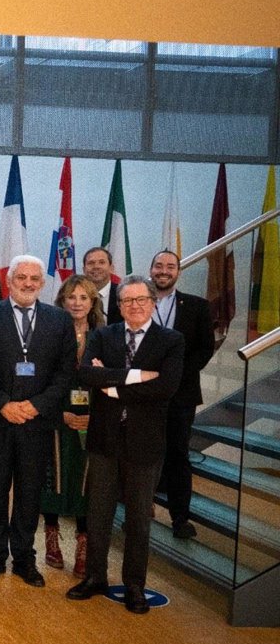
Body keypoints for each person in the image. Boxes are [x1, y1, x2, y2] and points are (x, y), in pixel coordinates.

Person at [68, 275, 184, 614]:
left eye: (141, 299)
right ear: (118, 306)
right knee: (98, 514)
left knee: (137, 520)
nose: (135, 306)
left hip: (145, 443)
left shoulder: (171, 341)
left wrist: (112, 383)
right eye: (127, 300)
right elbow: (87, 374)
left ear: (153, 302)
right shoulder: (103, 335)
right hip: (104, 439)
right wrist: (137, 375)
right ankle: (95, 577)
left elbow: (166, 387)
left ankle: (134, 586)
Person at [0, 255, 75, 586]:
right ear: (9, 280)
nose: (28, 283)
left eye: (34, 278)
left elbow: (65, 373)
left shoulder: (60, 320)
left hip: (37, 423)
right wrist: (2, 403)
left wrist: (37, 405)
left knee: (30, 494)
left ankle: (24, 558)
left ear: (42, 283)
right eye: (21, 277)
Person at [149, 250, 215, 540]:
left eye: (170, 266)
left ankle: (180, 519)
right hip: (142, 393)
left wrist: (174, 375)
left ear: (178, 271)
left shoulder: (198, 306)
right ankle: (139, 514)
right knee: (142, 455)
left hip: (181, 395)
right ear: (151, 270)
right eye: (159, 266)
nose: (164, 271)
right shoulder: (137, 301)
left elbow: (205, 348)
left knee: (178, 455)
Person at [42, 275, 104, 575]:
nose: (77, 303)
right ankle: (51, 537)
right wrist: (60, 413)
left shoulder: (104, 337)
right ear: (62, 301)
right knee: (53, 475)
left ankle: (84, 543)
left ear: (92, 302)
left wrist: (96, 416)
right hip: (57, 416)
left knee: (86, 481)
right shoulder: (50, 334)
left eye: (83, 297)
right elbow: (41, 379)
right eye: (71, 297)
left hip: (93, 418)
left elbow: (110, 379)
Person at [82, 247, 122, 325]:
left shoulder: (123, 294)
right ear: (84, 270)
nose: (96, 266)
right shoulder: (75, 296)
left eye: (101, 262)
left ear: (111, 268)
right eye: (91, 263)